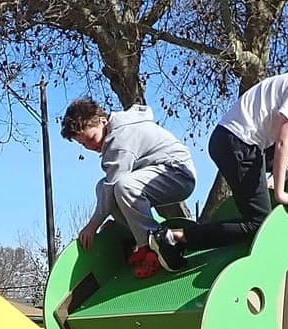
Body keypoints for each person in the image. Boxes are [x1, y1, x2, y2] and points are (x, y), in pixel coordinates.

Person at [152, 46, 288, 269]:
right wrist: (281, 192)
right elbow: (282, 142)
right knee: (259, 223)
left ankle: (179, 238)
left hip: (234, 141)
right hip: (238, 143)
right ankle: (175, 238)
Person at [60, 97, 196, 279]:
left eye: (91, 138)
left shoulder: (120, 139)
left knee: (123, 186)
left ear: (102, 121)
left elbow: (114, 186)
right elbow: (107, 188)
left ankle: (159, 245)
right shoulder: (114, 134)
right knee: (103, 187)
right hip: (159, 173)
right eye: (84, 144)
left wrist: (92, 226)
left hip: (178, 175)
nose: (91, 146)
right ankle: (140, 240)